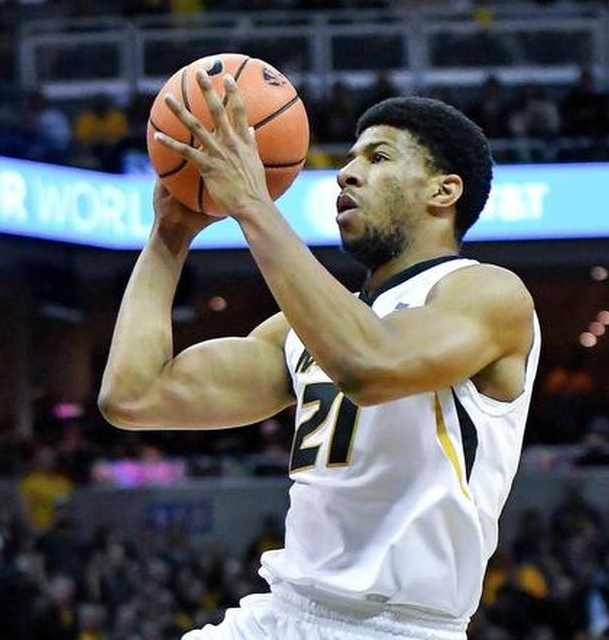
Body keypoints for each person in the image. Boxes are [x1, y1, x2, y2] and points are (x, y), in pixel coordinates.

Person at [99, 67, 539, 640]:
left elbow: (369, 366)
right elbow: (134, 396)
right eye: (350, 159)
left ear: (443, 191)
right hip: (282, 614)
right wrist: (168, 237)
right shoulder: (306, 327)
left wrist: (252, 204)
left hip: (397, 629)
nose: (347, 173)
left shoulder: (486, 293)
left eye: (378, 158)